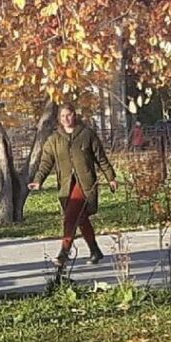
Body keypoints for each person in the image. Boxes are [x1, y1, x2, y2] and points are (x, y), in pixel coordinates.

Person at [30, 101, 118, 266]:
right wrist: (38, 180)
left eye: (69, 115)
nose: (66, 119)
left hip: (85, 183)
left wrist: (111, 178)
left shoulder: (87, 134)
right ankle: (95, 251)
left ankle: (64, 253)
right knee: (81, 218)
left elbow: (101, 158)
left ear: (74, 115)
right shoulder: (54, 139)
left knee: (70, 217)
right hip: (66, 185)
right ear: (59, 119)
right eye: (63, 116)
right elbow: (45, 163)